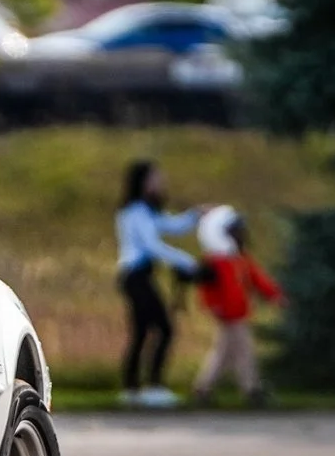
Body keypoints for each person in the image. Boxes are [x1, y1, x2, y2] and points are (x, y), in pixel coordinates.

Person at [115, 160, 196, 407]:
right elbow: (152, 245)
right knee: (163, 328)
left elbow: (172, 225)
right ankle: (153, 386)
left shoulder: (146, 211)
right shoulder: (135, 212)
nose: (160, 183)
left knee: (141, 332)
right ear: (142, 182)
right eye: (155, 179)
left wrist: (196, 216)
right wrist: (186, 261)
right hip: (135, 276)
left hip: (140, 276)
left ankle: (133, 389)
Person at [189, 205, 283, 406]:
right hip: (228, 314)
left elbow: (257, 278)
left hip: (238, 312)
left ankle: (203, 388)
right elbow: (208, 291)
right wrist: (214, 306)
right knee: (244, 350)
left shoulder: (240, 259)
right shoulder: (213, 262)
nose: (240, 234)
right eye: (234, 230)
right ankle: (251, 389)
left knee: (224, 353)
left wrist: (274, 294)